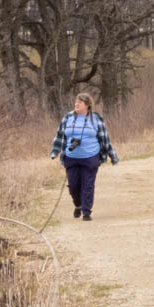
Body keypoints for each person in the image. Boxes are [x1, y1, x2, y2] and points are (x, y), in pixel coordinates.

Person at [50, 92, 118, 221]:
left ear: (87, 105)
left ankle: (86, 212)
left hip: (90, 157)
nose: (76, 104)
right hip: (71, 157)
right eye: (76, 102)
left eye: (79, 103)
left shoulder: (96, 119)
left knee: (88, 185)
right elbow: (59, 136)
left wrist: (112, 155)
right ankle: (78, 205)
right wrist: (55, 151)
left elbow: (105, 139)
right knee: (73, 186)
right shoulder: (67, 117)